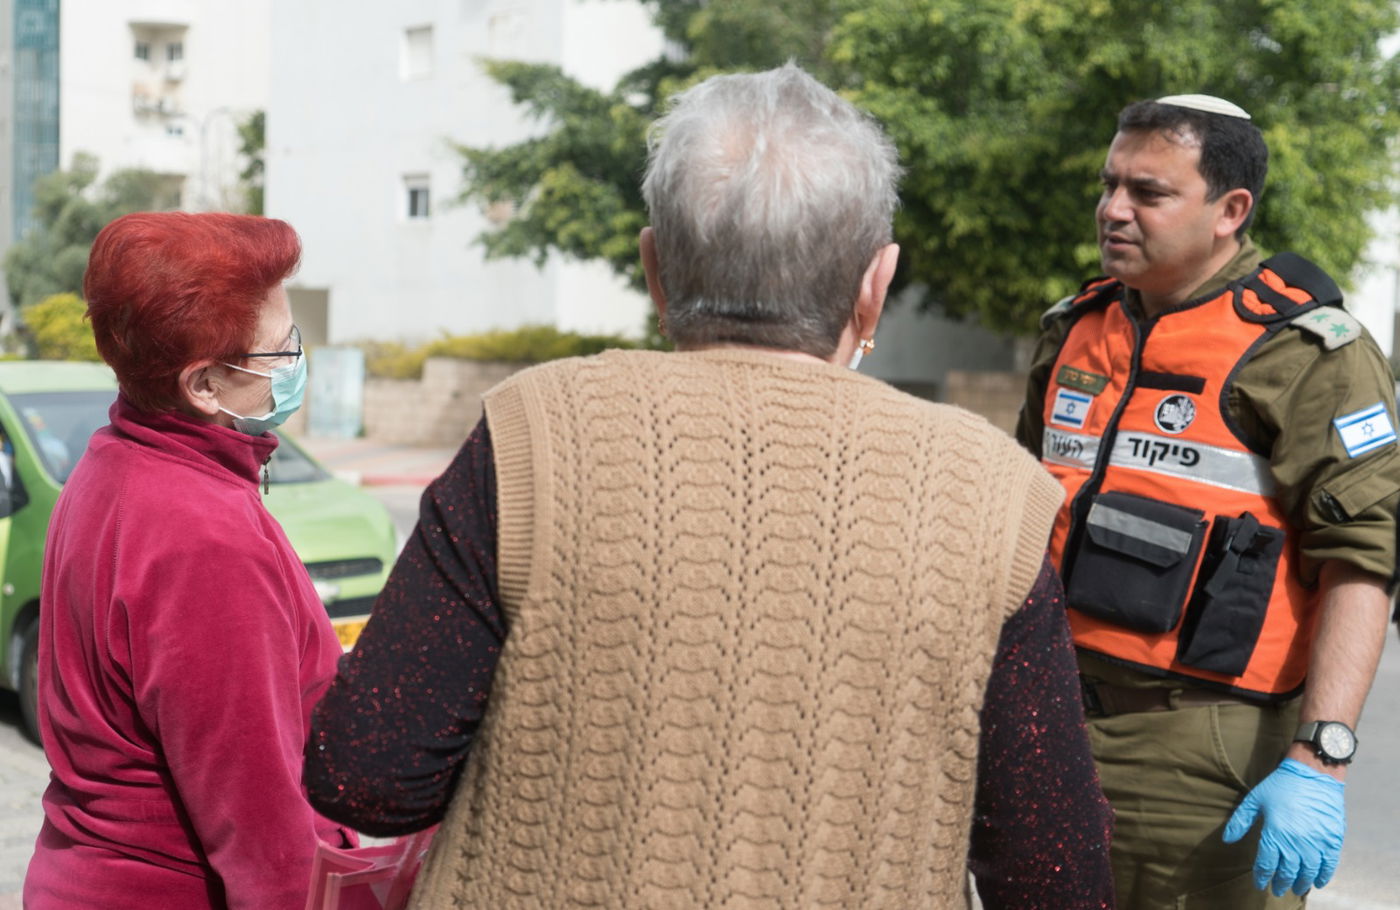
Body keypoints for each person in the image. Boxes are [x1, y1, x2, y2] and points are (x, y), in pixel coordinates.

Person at [305, 63, 1113, 908]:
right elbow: (1056, 871)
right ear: (876, 284)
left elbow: (366, 774)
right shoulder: (992, 491)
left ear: (655, 268)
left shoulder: (534, 431)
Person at [1016, 94, 1400, 908]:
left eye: (1149, 193)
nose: (1114, 210)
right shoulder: (1075, 329)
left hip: (1201, 744)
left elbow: (1365, 558)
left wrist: (1321, 756)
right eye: (1109, 184)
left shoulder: (1304, 352)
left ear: (1231, 210)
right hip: (1049, 715)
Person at [25, 212, 357, 908]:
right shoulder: (202, 537)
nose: (296, 361)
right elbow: (263, 835)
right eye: (280, 351)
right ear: (201, 384)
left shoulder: (114, 457)